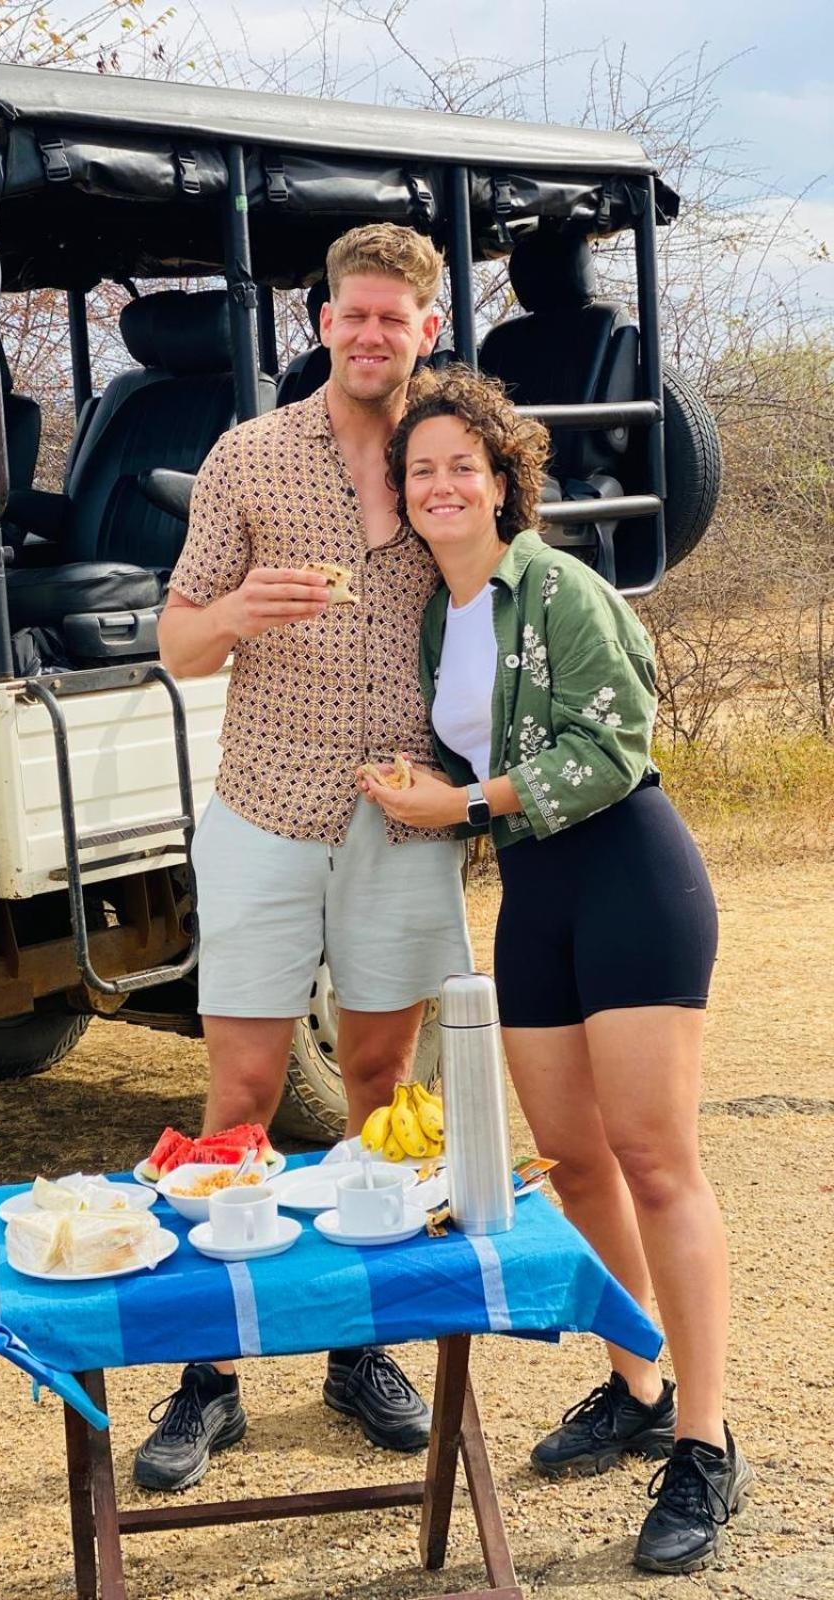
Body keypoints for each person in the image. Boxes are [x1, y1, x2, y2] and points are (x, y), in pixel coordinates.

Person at [361, 363, 751, 1574]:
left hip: (630, 873)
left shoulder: (563, 587)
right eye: (420, 469)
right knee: (574, 1161)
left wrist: (459, 800)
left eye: (459, 466)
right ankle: (635, 1381)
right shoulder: (435, 615)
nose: (440, 485)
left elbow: (612, 737)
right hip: (533, 891)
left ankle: (706, 1437)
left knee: (654, 1157)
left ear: (500, 478)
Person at [135, 224, 473, 1492]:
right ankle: (207, 1379)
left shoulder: (452, 459)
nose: (373, 335)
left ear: (427, 328)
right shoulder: (249, 456)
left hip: (402, 820)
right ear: (322, 321)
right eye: (355, 315)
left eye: (397, 318)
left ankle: (362, 1352)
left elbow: (507, 598)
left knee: (387, 1088)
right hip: (265, 806)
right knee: (245, 1093)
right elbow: (177, 641)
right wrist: (232, 614)